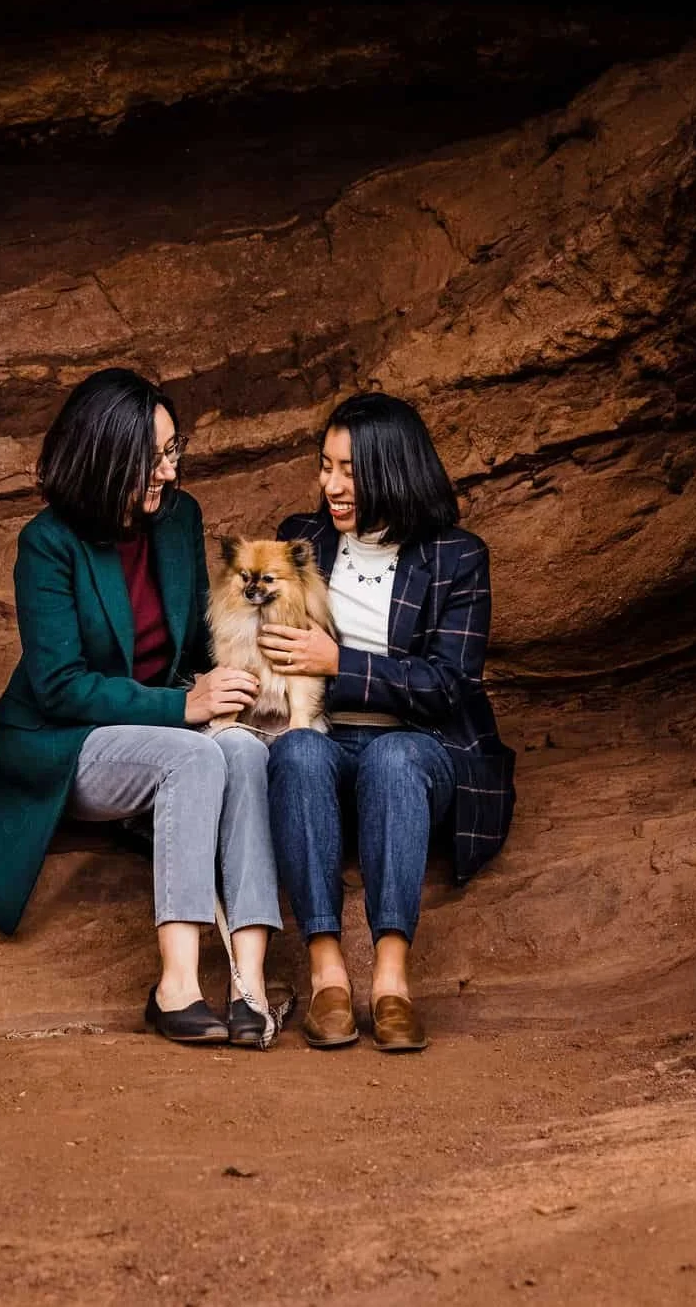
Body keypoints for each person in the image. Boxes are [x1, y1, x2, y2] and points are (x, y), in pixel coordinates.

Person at [0, 368, 282, 1046]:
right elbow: (60, 687)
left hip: (165, 728)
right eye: (153, 458)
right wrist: (183, 704)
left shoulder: (178, 518)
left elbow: (195, 638)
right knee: (194, 756)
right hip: (69, 742)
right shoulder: (47, 543)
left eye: (173, 451)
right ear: (104, 456)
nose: (168, 471)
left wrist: (250, 671)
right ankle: (177, 988)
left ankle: (250, 986)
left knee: (243, 751)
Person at [259, 392, 516, 1052]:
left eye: (349, 470)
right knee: (295, 753)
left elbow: (448, 685)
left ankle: (392, 978)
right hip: (322, 734)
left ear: (393, 469)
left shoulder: (457, 557)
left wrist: (338, 663)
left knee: (392, 759)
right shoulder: (302, 540)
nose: (331, 485)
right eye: (326, 467)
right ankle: (327, 974)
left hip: (422, 744)